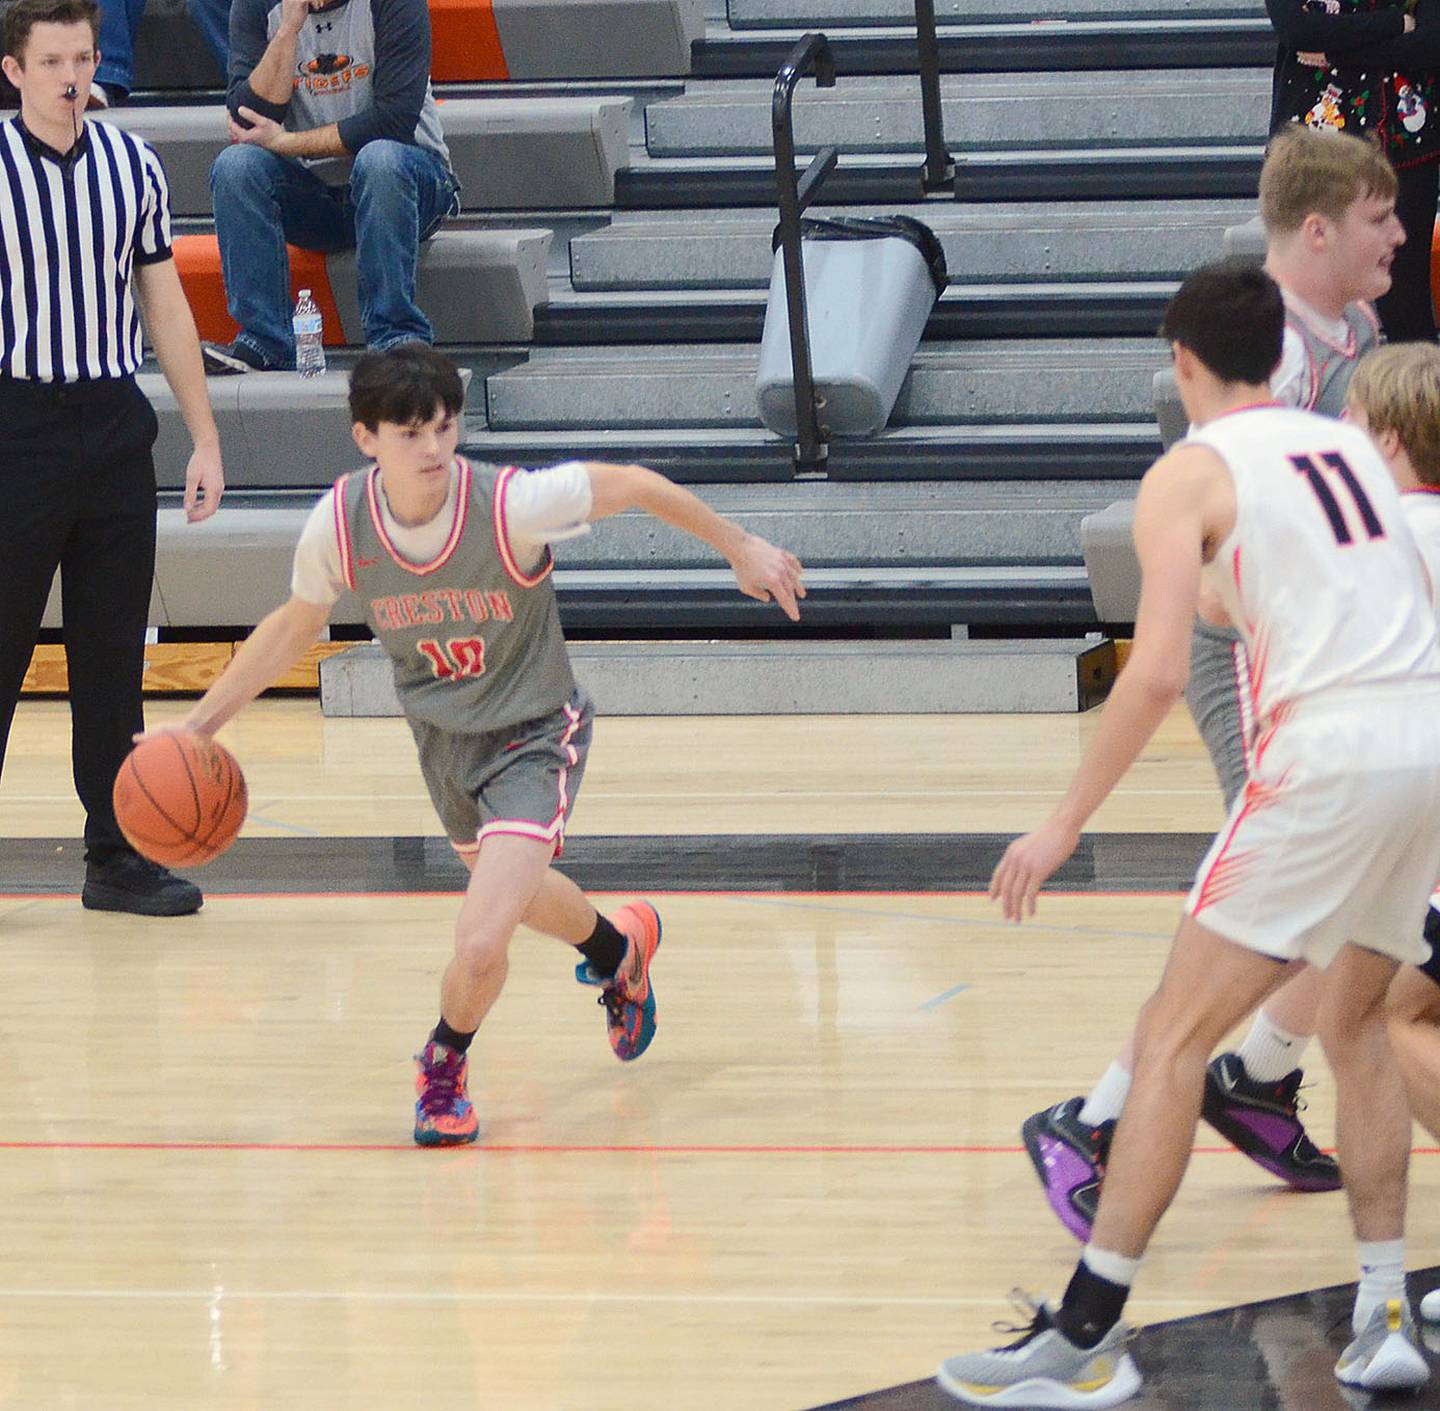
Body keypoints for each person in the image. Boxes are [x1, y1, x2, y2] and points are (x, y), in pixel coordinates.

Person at [938, 262, 1440, 1406]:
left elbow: (1160, 667)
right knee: (1357, 1019)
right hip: (1426, 746)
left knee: (1171, 1040)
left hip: (1328, 756)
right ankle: (1382, 1314)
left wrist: (1062, 822)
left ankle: (1084, 1334)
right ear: (1284, 356)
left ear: (1181, 359)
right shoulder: (1348, 450)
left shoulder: (1191, 470)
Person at [144, 344, 806, 1145]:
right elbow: (294, 625)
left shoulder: (510, 505)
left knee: (482, 934)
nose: (433, 448)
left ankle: (442, 1064)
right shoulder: (341, 523)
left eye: (444, 428)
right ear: (366, 438)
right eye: (411, 433)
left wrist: (740, 545)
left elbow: (634, 483)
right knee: (518, 896)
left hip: (534, 734)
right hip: (445, 745)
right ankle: (620, 948)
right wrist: (196, 727)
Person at [1023, 124, 1404, 1242]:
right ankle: (1104, 1115)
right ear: (1318, 230)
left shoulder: (1356, 329)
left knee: (1334, 898)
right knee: (1280, 898)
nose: (1398, 233)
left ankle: (1259, 1075)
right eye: (1379, 217)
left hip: (1330, 650)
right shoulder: (1264, 352)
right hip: (1250, 647)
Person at [0, 0, 224, 917]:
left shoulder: (134, 164)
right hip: (16, 425)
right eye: (52, 61)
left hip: (113, 426)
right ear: (13, 70)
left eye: (83, 59)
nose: (71, 77)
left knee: (110, 657)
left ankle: (117, 855)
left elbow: (164, 302)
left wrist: (204, 434)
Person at [200, 0, 459, 373]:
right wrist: (288, 30)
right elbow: (248, 119)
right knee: (235, 167)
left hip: (410, 184)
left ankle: (394, 339)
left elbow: (393, 122)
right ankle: (265, 341)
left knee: (380, 159)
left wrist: (287, 143)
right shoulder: (259, 5)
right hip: (317, 195)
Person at [1266, 0, 1440, 340]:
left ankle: (1415, 376)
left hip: (1406, 144)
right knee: (1311, 291)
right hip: (1314, 149)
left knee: (1405, 295)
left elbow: (1430, 43)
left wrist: (1336, 54)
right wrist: (1394, 23)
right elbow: (1297, 30)